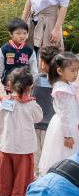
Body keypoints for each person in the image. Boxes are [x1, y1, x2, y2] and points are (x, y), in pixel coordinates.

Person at [0, 67, 42, 196]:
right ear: (30, 87)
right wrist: (32, 100)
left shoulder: (4, 101)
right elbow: (39, 117)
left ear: (10, 85)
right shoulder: (31, 104)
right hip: (24, 150)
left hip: (6, 147)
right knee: (21, 179)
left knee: (5, 175)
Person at [39, 52, 79, 173]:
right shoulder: (62, 90)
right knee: (64, 154)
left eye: (77, 70)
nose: (76, 74)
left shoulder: (67, 85)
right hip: (65, 128)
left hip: (70, 124)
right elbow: (66, 115)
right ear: (60, 71)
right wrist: (68, 135)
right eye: (72, 70)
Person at [33, 45, 61, 175]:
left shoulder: (35, 79)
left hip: (34, 125)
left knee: (36, 157)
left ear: (43, 64)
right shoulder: (61, 83)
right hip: (51, 127)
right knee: (49, 157)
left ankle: (37, 180)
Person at [0, 18, 39, 90]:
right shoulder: (4, 49)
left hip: (25, 82)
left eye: (25, 33)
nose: (22, 36)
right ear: (11, 34)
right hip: (9, 82)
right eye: (18, 33)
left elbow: (34, 68)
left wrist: (34, 81)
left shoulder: (29, 50)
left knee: (23, 100)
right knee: (11, 99)